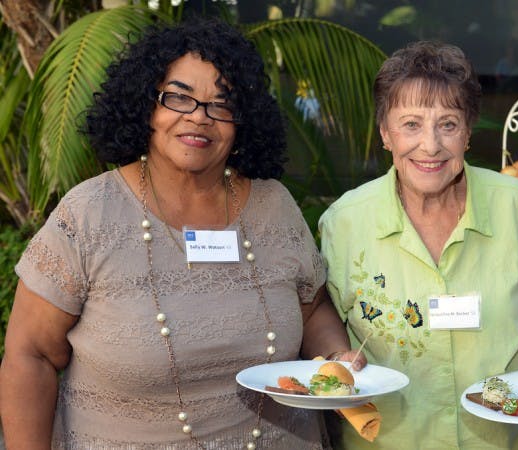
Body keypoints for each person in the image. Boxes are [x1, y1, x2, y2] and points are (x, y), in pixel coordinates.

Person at [0, 18, 364, 449]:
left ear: (241, 119)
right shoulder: (88, 216)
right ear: (145, 106)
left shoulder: (274, 207)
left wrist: (337, 357)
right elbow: (31, 356)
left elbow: (312, 307)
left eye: (221, 103)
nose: (199, 118)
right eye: (179, 97)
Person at [319, 41, 518, 450]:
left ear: (468, 133)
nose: (430, 145)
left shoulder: (513, 203)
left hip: (503, 436)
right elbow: (324, 310)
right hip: (393, 437)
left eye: (448, 124)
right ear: (385, 133)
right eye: (410, 125)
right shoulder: (345, 221)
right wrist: (337, 354)